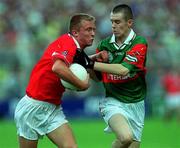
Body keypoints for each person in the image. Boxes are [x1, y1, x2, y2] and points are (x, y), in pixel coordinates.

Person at [14, 13, 96, 148]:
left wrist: (95, 58)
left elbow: (78, 66)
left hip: (52, 108)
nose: (92, 33)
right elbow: (57, 67)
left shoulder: (75, 48)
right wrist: (82, 85)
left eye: (93, 30)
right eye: (88, 30)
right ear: (75, 32)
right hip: (33, 107)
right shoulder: (69, 43)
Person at [75, 4, 148, 148]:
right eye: (112, 22)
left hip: (136, 103)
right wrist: (85, 68)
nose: (113, 26)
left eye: (117, 22)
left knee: (131, 145)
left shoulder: (139, 44)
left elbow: (123, 70)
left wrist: (89, 63)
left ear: (129, 23)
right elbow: (98, 78)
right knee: (126, 138)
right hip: (113, 102)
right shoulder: (104, 45)